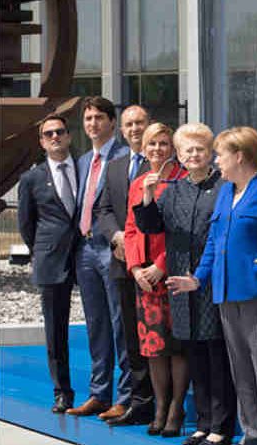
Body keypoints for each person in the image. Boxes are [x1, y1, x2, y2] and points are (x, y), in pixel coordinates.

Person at [167, 127, 257, 445]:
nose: (216, 160)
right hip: (224, 291)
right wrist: (198, 278)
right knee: (241, 370)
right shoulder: (226, 191)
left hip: (255, 291)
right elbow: (214, 241)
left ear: (239, 156)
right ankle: (252, 433)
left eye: (220, 154)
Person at [133, 123, 237, 445]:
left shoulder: (223, 187)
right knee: (194, 354)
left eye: (200, 149)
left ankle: (221, 426)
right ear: (179, 155)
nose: (194, 155)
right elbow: (151, 226)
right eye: (188, 150)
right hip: (180, 284)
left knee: (216, 354)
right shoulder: (175, 189)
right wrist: (148, 197)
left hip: (212, 282)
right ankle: (203, 424)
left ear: (211, 154)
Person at [69, 96, 133, 417]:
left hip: (112, 249)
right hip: (85, 249)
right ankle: (99, 392)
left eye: (98, 118)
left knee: (120, 321)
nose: (92, 124)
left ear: (111, 122)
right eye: (88, 118)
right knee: (96, 324)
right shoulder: (82, 161)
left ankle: (125, 396)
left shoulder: (124, 157)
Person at [124, 123, 189, 436]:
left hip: (172, 272)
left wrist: (161, 266)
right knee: (153, 347)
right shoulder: (138, 183)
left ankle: (177, 406)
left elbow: (182, 231)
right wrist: (136, 268)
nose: (157, 149)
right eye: (152, 144)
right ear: (144, 148)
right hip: (144, 279)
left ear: (172, 148)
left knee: (176, 347)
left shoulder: (182, 180)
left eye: (164, 143)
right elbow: (131, 228)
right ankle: (160, 405)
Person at [94, 104, 155, 426]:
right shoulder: (116, 167)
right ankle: (139, 400)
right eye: (129, 124)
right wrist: (118, 238)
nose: (134, 129)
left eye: (140, 123)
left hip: (154, 268)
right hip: (122, 263)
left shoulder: (160, 163)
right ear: (122, 130)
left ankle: (162, 402)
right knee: (130, 336)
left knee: (158, 338)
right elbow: (102, 209)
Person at [18, 115, 80, 414]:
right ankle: (62, 392)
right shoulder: (31, 179)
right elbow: (26, 225)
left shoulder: (85, 168)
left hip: (86, 257)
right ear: (42, 142)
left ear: (69, 136)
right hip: (51, 261)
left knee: (103, 327)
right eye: (48, 134)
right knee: (56, 331)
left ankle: (105, 392)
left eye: (60, 132)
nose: (55, 137)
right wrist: (43, 250)